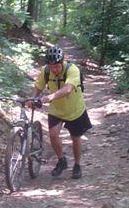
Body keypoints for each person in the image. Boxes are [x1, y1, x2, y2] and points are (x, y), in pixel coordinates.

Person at [28, 45, 92, 179]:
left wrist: (51, 96)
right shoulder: (45, 71)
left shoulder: (72, 69)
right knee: (53, 135)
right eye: (51, 67)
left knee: (75, 138)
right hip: (56, 110)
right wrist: (32, 98)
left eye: (57, 66)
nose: (54, 69)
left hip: (75, 109)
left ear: (62, 62)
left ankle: (77, 165)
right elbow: (38, 87)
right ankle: (62, 160)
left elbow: (68, 88)